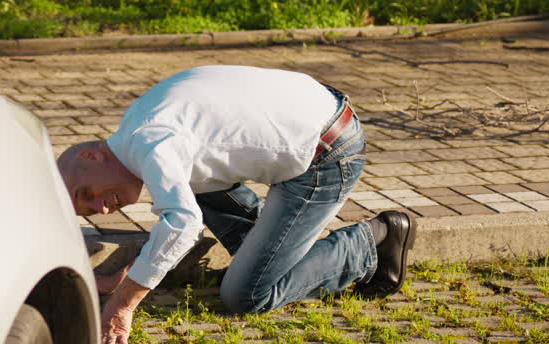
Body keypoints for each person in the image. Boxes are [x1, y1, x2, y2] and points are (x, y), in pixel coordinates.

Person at [56, 65, 415, 344]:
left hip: (328, 152)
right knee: (212, 217)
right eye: (91, 211)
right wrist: (130, 275)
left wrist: (123, 304)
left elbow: (182, 225)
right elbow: (176, 215)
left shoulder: (151, 145)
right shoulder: (136, 128)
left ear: (91, 155)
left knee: (247, 293)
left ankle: (374, 241)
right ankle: (266, 250)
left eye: (88, 194)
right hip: (317, 110)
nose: (102, 209)